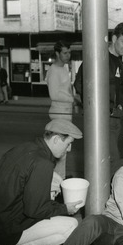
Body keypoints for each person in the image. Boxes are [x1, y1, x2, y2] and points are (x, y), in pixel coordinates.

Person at [0, 119, 84, 245]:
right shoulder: (42, 163)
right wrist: (65, 208)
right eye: (68, 143)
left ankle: (30, 243)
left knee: (53, 187)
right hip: (5, 229)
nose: (69, 149)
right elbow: (35, 210)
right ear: (56, 139)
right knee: (71, 226)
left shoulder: (26, 147)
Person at [73, 22, 123, 172]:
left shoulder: (119, 61)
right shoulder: (99, 58)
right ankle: (109, 192)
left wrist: (122, 107)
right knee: (111, 160)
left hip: (114, 119)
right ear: (114, 39)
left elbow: (121, 89)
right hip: (102, 119)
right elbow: (80, 83)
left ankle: (106, 192)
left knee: (106, 159)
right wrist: (98, 106)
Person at [46, 40, 74, 179]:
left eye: (69, 52)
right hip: (58, 115)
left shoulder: (64, 68)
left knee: (63, 153)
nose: (68, 55)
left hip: (66, 115)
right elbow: (54, 94)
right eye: (64, 53)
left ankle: (60, 182)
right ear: (57, 53)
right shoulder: (53, 70)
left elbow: (66, 89)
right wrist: (72, 99)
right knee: (59, 154)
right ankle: (57, 186)